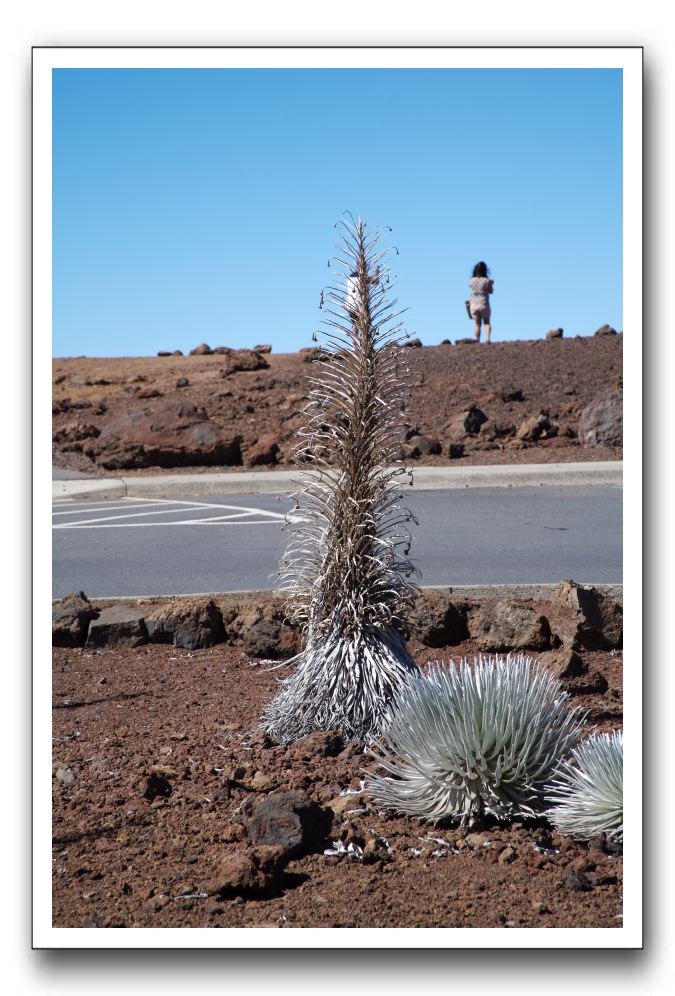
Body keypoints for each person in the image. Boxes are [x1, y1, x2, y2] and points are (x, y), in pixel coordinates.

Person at [468, 261, 494, 343]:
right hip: (484, 303)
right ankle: (488, 338)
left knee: (477, 324)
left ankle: (477, 339)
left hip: (474, 304)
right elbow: (491, 291)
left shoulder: (471, 281)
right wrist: (491, 284)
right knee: (486, 322)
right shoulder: (486, 281)